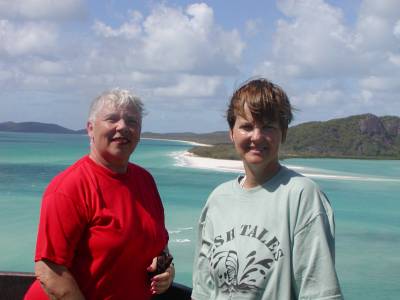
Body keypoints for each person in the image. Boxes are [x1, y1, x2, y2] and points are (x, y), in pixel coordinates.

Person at [191, 78, 343, 299]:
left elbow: (319, 291)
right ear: (231, 133)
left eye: (268, 127)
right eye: (246, 126)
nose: (257, 136)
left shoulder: (301, 195)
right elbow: (203, 289)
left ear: (283, 133)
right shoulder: (218, 199)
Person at [25, 88, 174, 300]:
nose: (122, 126)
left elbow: (160, 244)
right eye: (112, 119)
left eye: (132, 122)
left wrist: (168, 270)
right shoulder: (69, 187)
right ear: (90, 128)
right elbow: (49, 270)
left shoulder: (145, 181)